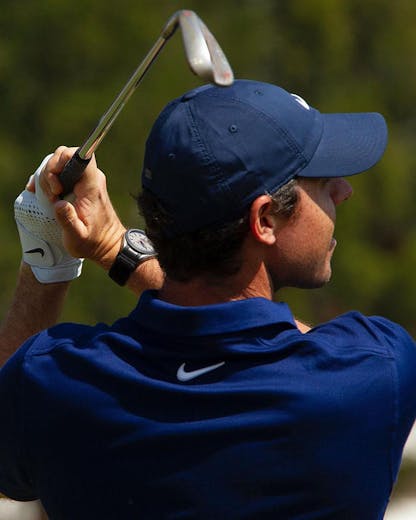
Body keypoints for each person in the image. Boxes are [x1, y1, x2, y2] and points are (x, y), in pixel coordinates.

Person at [0, 79, 415, 520]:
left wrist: (45, 262)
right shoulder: (373, 372)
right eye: (323, 180)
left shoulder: (57, 381)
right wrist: (115, 249)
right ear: (264, 219)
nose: (343, 191)